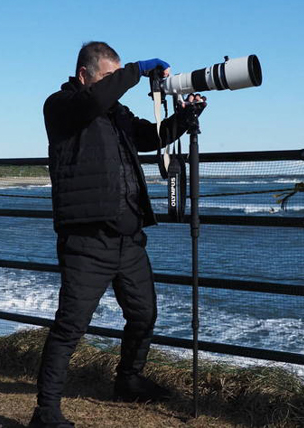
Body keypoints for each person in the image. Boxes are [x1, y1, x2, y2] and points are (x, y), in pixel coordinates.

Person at [30, 42, 204, 428]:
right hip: (87, 239)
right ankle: (46, 411)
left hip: (129, 236)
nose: (115, 84)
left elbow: (150, 137)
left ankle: (128, 381)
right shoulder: (61, 106)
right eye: (109, 76)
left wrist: (184, 117)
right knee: (70, 327)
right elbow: (94, 100)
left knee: (144, 314)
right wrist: (137, 70)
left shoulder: (115, 111)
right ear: (84, 76)